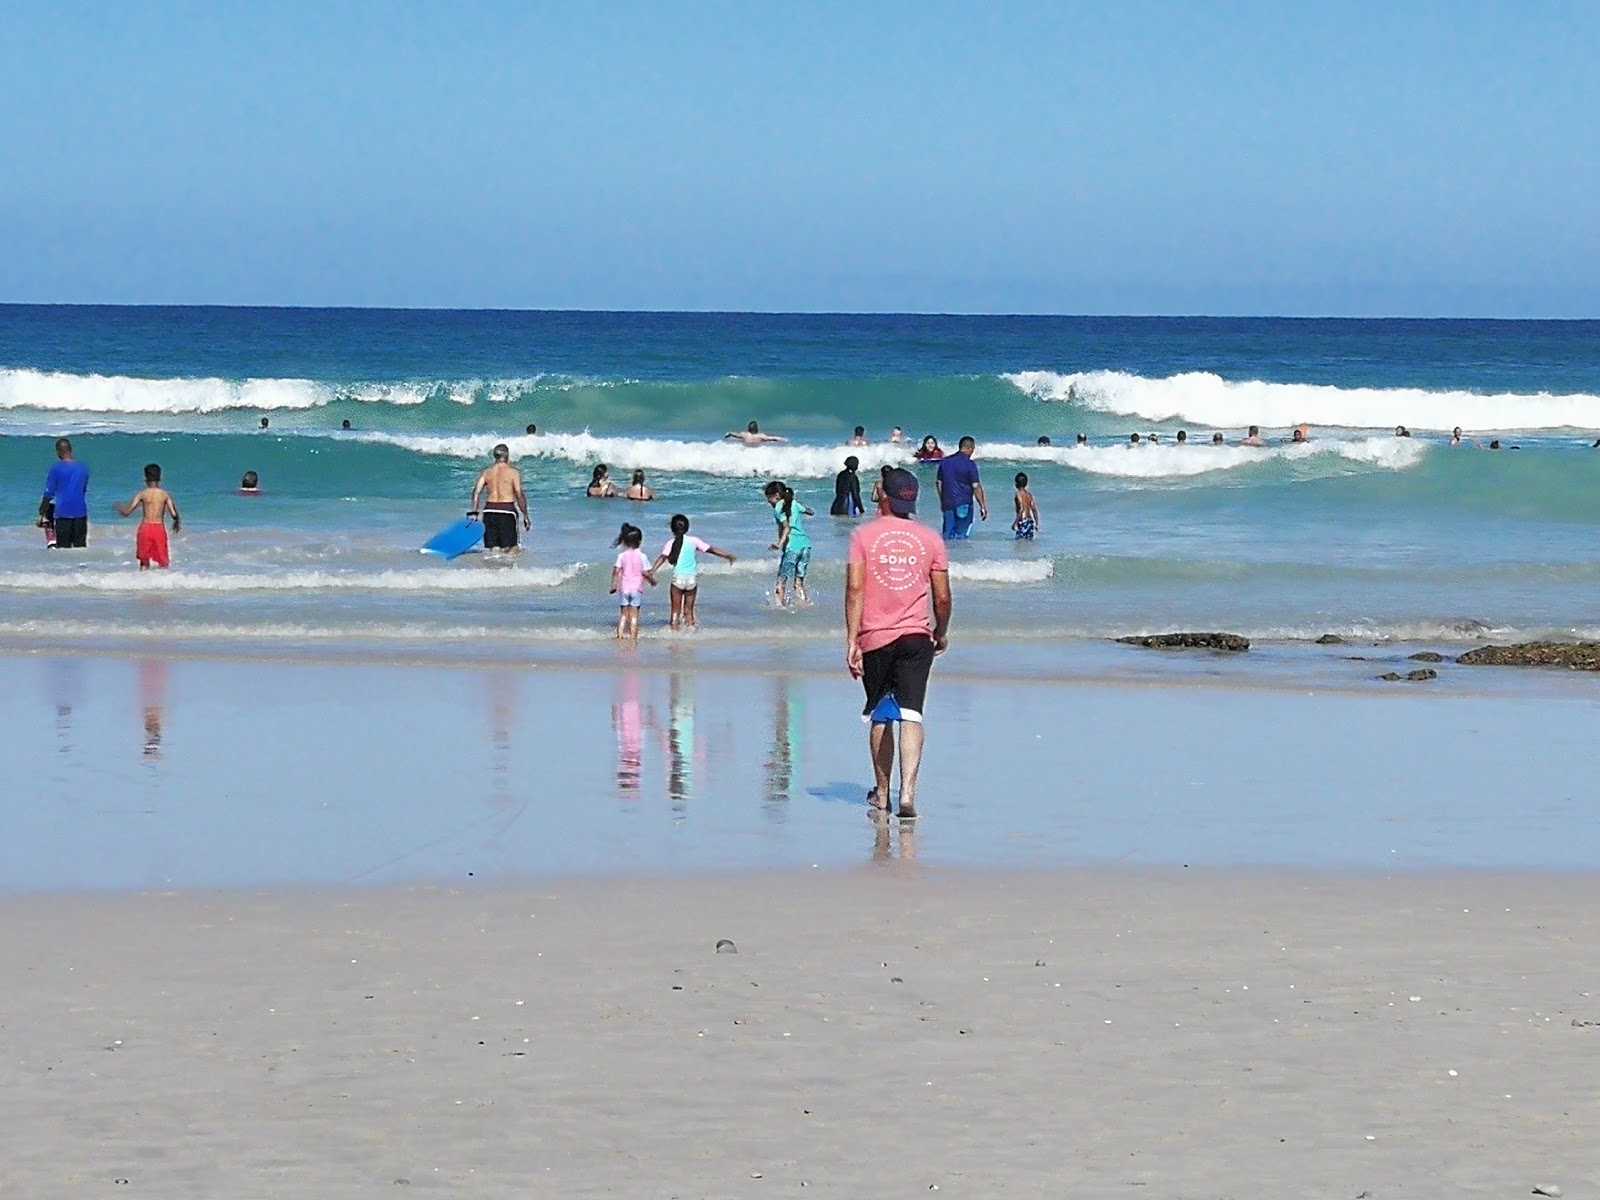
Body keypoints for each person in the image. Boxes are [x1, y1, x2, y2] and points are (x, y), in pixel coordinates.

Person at [845, 467, 952, 820]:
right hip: (917, 636)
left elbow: (856, 589)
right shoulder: (931, 538)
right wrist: (941, 631)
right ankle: (908, 794)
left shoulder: (862, 535)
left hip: (876, 637)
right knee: (911, 713)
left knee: (881, 714)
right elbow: (943, 597)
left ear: (885, 496)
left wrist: (851, 639)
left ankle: (882, 793)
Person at [651, 514, 737, 630]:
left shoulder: (671, 543)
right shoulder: (694, 541)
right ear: (687, 528)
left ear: (672, 529)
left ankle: (674, 635)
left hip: (678, 579)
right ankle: (690, 634)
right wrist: (728, 556)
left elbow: (662, 558)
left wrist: (652, 571)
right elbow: (711, 550)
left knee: (675, 611)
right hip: (692, 580)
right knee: (689, 611)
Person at [113, 462, 181, 570]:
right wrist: (177, 523)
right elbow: (174, 514)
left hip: (145, 528)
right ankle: (162, 584)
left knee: (144, 562)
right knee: (163, 562)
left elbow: (127, 512)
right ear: (160, 477)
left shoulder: (142, 494)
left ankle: (143, 583)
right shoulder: (165, 494)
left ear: (145, 478)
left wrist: (118, 507)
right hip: (159, 528)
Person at [471, 444, 532, 553]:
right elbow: (519, 494)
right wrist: (525, 516)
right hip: (507, 511)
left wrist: (474, 514)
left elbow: (476, 492)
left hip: (489, 511)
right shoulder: (513, 472)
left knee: (494, 549)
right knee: (512, 548)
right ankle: (510, 570)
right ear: (507, 456)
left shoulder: (486, 472)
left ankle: (493, 569)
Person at [763, 480, 814, 606]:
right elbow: (810, 512)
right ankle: (804, 604)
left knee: (781, 580)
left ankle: (780, 607)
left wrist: (779, 544)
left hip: (792, 547)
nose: (768, 501)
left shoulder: (779, 508)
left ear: (776, 495)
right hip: (805, 546)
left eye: (769, 498)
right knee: (799, 582)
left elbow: (786, 527)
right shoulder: (794, 503)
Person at [41, 437, 91, 549]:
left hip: (63, 513)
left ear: (58, 451)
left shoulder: (56, 469)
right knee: (80, 548)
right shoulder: (83, 468)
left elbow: (49, 493)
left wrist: (42, 510)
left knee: (63, 550)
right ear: (71, 450)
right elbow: (83, 490)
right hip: (81, 512)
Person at [609, 523, 656, 642]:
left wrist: (614, 585)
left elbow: (616, 571)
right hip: (636, 590)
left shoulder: (622, 556)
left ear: (625, 541)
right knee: (634, 615)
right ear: (640, 541)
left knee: (624, 614)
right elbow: (645, 573)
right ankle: (633, 637)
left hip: (624, 589)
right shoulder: (642, 556)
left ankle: (620, 636)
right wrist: (652, 581)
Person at [935, 436, 987, 540]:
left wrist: (942, 500)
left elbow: (939, 483)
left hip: (948, 502)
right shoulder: (970, 464)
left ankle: (948, 555)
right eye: (973, 449)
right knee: (961, 535)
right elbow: (976, 486)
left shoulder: (945, 462)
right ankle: (960, 555)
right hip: (964, 503)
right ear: (969, 448)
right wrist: (983, 506)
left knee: (947, 534)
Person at [1012, 472, 1039, 540]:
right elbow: (1034, 509)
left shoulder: (1018, 494)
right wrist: (1037, 523)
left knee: (1020, 543)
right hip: (1030, 521)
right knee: (1028, 542)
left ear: (1016, 484)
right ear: (1026, 484)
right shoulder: (1029, 494)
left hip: (1022, 521)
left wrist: (1015, 523)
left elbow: (1021, 509)